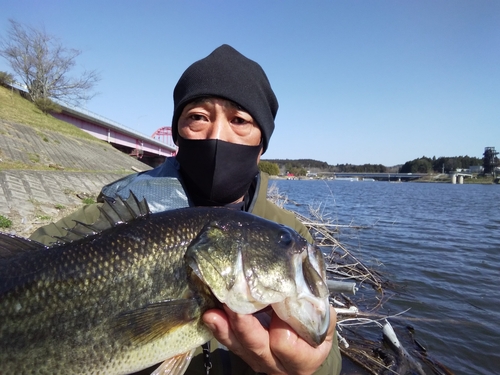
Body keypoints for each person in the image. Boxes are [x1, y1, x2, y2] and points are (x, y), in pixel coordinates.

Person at [30, 44, 342, 375]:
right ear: (178, 132)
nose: (217, 134)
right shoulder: (116, 214)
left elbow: (327, 355)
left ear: (261, 145)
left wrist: (309, 368)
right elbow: (25, 262)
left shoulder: (287, 233)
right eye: (197, 117)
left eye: (239, 120)